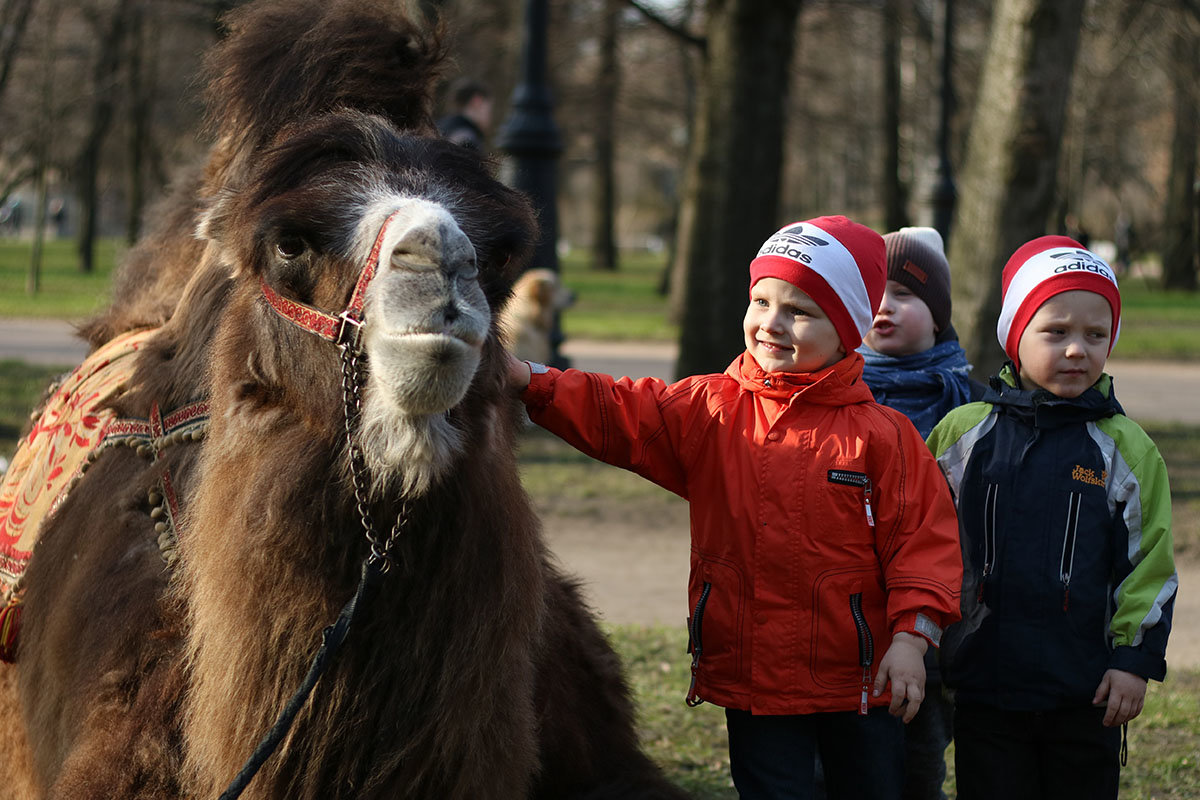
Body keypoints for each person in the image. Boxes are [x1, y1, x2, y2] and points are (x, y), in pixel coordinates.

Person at [507, 216, 963, 800]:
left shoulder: (884, 436)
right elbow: (619, 411)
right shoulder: (711, 410)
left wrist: (910, 639)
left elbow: (924, 545)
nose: (771, 322)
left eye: (799, 310)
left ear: (848, 327)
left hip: (859, 680)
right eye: (761, 300)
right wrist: (530, 381)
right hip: (755, 678)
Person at [927, 236, 1178, 800]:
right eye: (1056, 332)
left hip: (1084, 691)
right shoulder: (963, 435)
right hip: (983, 683)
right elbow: (922, 543)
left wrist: (1132, 662)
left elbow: (1149, 568)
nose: (1076, 350)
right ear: (1016, 338)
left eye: (1095, 335)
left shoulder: (1127, 450)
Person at [857, 226, 979, 800]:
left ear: (938, 317)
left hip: (933, 613)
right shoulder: (841, 387)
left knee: (918, 753)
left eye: (904, 295)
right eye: (875, 292)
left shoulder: (967, 403)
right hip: (852, 604)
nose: (884, 305)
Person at [436, 78, 492, 151]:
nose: (490, 117)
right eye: (489, 110)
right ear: (477, 101)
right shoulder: (467, 140)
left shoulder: (437, 128)